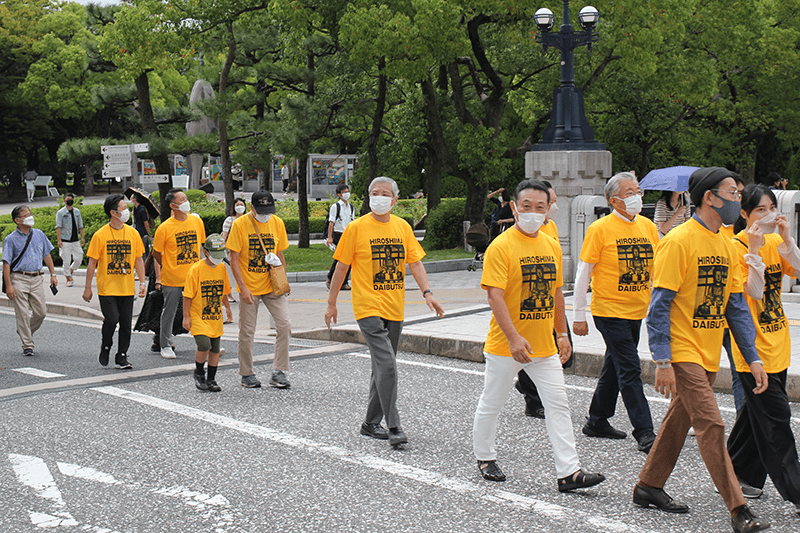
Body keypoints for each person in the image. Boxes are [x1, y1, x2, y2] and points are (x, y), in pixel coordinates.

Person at [633, 167, 770, 533]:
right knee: (712, 424)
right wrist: (662, 359)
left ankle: (648, 486)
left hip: (708, 351)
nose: (739, 198)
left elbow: (737, 308)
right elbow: (658, 306)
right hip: (682, 351)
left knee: (678, 423)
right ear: (710, 197)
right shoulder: (678, 241)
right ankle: (738, 509)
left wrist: (752, 356)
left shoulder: (727, 243)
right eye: (733, 191)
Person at [471, 179, 605, 492]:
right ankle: (485, 456)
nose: (533, 212)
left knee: (558, 403)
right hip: (507, 344)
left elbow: (557, 292)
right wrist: (515, 338)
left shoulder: (550, 244)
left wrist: (562, 333)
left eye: (540, 207)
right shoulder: (501, 247)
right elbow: (495, 297)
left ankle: (569, 472)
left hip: (544, 345)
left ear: (548, 212)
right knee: (493, 401)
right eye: (526, 206)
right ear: (514, 208)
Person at [324, 176, 444, 448]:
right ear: (368, 197)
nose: (379, 197)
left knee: (382, 366)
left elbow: (415, 264)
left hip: (394, 307)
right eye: (374, 193)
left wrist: (428, 294)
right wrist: (331, 303)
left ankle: (370, 423)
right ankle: (394, 425)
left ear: (395, 200)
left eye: (385, 194)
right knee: (388, 364)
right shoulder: (356, 228)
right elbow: (341, 267)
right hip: (367, 306)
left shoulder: (402, 227)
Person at [571, 172, 658, 453]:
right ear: (614, 201)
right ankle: (645, 431)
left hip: (637, 309)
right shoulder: (600, 229)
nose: (637, 197)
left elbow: (656, 269)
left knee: (616, 364)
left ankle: (597, 419)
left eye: (638, 191)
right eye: (630, 192)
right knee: (630, 368)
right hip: (609, 310)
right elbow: (584, 272)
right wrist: (579, 314)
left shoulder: (648, 227)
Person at [726, 184, 800, 510]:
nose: (768, 214)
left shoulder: (773, 241)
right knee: (776, 420)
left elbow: (797, 269)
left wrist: (787, 238)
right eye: (760, 210)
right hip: (752, 350)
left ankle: (735, 472)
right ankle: (796, 491)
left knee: (753, 419)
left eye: (771, 207)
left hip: (779, 341)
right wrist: (753, 251)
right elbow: (752, 293)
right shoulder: (735, 246)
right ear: (744, 214)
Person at [514, 180, 573, 419]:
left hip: (550, 300)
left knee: (565, 357)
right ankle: (532, 397)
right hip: (527, 303)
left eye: (550, 204)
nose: (550, 209)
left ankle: (526, 385)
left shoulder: (551, 229)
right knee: (532, 352)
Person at [227, 190, 292, 389]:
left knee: (284, 325)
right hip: (250, 287)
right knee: (247, 331)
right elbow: (234, 259)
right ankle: (246, 373)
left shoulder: (277, 222)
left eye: (269, 210)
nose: (266, 214)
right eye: (261, 210)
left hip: (272, 284)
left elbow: (280, 253)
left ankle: (279, 371)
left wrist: (283, 281)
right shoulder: (239, 224)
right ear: (252, 208)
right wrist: (243, 288)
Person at [82, 194, 146, 370]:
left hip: (126, 287)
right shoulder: (100, 235)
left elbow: (139, 260)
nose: (127, 211)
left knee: (126, 324)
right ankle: (106, 346)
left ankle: (122, 356)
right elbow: (92, 263)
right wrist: (88, 287)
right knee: (112, 319)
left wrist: (142, 282)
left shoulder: (133, 233)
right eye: (124, 208)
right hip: (107, 287)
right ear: (113, 212)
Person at [152, 189, 206, 359]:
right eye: (182, 199)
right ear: (173, 205)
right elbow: (156, 252)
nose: (186, 202)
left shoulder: (196, 221)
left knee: (199, 310)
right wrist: (166, 266)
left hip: (194, 276)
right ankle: (165, 344)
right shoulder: (165, 227)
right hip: (172, 277)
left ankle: (205, 343)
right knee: (170, 310)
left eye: (186, 198)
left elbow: (201, 247)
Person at [2, 205, 57, 357]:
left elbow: (47, 255)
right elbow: (6, 264)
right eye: (26, 215)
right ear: (17, 220)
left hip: (37, 277)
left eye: (30, 213)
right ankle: (28, 344)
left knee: (41, 312)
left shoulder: (38, 234)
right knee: (23, 313)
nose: (30, 216)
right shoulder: (11, 239)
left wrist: (53, 274)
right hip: (19, 278)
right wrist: (9, 286)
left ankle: (24, 330)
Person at [183, 234, 231, 393]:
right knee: (204, 344)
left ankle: (211, 379)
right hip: (198, 315)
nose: (218, 259)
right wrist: (186, 317)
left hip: (215, 315)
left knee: (215, 348)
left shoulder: (222, 267)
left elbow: (224, 291)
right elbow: (187, 296)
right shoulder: (195, 270)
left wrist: (228, 309)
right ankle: (199, 372)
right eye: (215, 255)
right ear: (205, 252)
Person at [325, 183, 356, 291]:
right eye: (344, 192)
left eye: (348, 192)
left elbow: (352, 223)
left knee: (349, 259)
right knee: (340, 259)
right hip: (338, 235)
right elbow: (331, 222)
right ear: (339, 194)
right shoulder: (336, 206)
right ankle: (331, 278)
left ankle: (344, 281)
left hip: (348, 235)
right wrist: (330, 237)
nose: (347, 194)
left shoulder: (351, 207)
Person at [220, 197, 247, 311]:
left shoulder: (248, 219)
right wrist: (220, 247)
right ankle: (229, 295)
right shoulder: (230, 220)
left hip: (245, 250)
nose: (240, 206)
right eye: (237, 205)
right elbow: (224, 234)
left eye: (241, 204)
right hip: (231, 249)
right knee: (230, 273)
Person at [55, 192, 85, 287]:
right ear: (64, 200)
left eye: (71, 199)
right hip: (65, 240)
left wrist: (82, 238)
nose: (69, 200)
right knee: (66, 260)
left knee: (79, 257)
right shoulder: (60, 213)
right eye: (68, 198)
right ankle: (68, 277)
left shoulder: (77, 212)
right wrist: (59, 240)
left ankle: (71, 269)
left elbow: (80, 226)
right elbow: (58, 227)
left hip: (75, 240)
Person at [131, 193, 152, 257]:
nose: (130, 199)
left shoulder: (142, 210)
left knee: (144, 251)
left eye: (131, 198)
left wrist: (147, 233)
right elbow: (134, 221)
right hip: (137, 232)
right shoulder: (135, 209)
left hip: (142, 233)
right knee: (139, 251)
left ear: (135, 199)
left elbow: (146, 223)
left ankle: (145, 265)